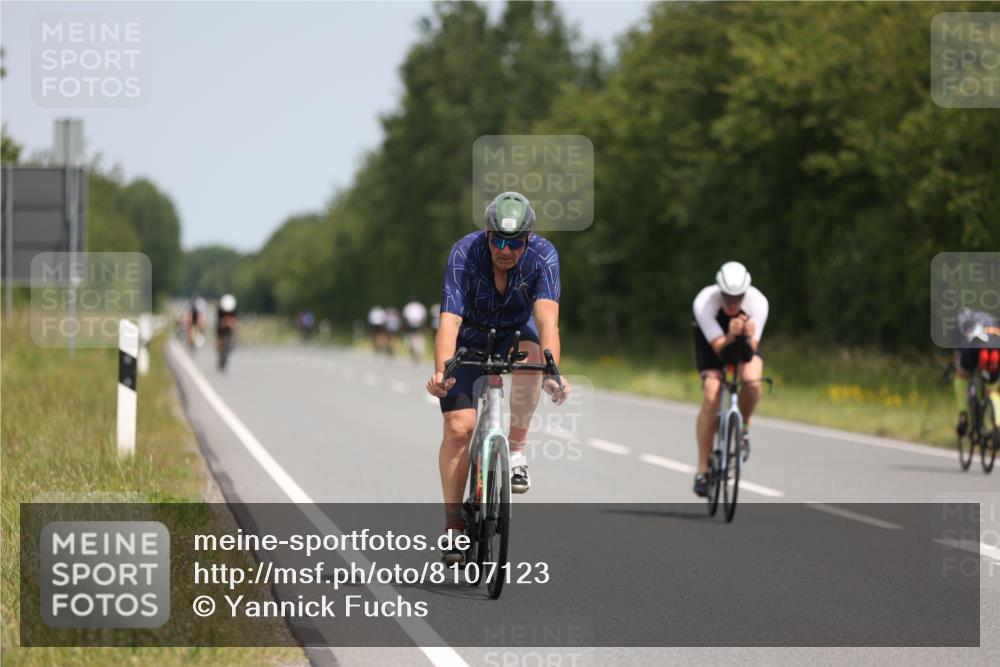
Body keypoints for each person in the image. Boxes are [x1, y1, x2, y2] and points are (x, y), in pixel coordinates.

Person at [425, 191, 570, 564]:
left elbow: (546, 320)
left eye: (515, 242)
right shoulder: (464, 253)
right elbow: (449, 321)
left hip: (513, 333)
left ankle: (516, 449)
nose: (506, 250)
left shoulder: (543, 256)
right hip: (469, 337)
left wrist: (553, 369)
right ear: (487, 235)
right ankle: (455, 525)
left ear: (528, 239)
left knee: (533, 355)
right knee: (459, 428)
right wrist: (443, 370)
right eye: (498, 240)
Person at [691, 261, 769, 498]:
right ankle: (703, 469)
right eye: (727, 297)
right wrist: (730, 336)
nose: (733, 303)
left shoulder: (758, 302)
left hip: (743, 341)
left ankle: (742, 429)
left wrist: (744, 335)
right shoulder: (705, 302)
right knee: (712, 391)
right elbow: (719, 350)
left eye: (738, 297)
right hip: (712, 343)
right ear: (719, 291)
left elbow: (748, 353)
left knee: (752, 382)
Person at [954, 307, 1000, 436]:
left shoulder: (960, 323)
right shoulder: (990, 318)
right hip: (996, 346)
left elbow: (959, 354)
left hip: (974, 348)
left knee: (962, 375)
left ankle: (963, 417)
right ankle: (998, 425)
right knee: (992, 390)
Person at [216, 294, 238, 371]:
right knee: (219, 339)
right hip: (221, 327)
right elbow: (219, 323)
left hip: (230, 327)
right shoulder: (220, 310)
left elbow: (235, 322)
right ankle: (220, 352)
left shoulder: (234, 310)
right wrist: (224, 323)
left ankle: (232, 341)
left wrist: (231, 325)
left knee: (233, 328)